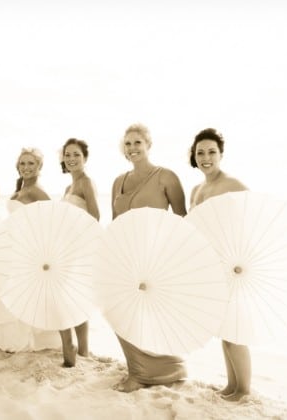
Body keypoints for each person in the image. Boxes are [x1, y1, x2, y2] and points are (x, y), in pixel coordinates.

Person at [110, 123, 188, 392]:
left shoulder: (166, 177)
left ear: (148, 145)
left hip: (155, 257)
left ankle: (152, 372)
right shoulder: (118, 181)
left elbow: (182, 219)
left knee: (149, 314)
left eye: (137, 143)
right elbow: (115, 223)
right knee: (119, 310)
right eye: (128, 143)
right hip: (126, 255)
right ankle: (140, 370)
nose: (132, 148)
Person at [188, 128, 250, 402]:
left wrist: (241, 253)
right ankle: (231, 385)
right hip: (210, 265)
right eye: (200, 152)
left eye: (211, 151)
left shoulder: (232, 184)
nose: (206, 157)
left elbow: (253, 215)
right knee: (223, 329)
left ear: (221, 154)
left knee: (234, 328)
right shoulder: (197, 189)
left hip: (231, 264)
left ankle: (244, 390)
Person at [0, 148, 61, 353]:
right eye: (23, 163)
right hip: (11, 244)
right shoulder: (21, 188)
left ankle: (23, 340)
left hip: (25, 247)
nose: (26, 167)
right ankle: (9, 339)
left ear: (39, 167)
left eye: (31, 163)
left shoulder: (37, 191)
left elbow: (52, 219)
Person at [58, 138, 100, 367]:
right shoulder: (68, 188)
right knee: (67, 296)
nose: (71, 159)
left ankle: (81, 348)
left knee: (75, 296)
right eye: (68, 155)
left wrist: (75, 235)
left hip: (79, 246)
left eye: (76, 155)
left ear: (85, 158)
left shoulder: (86, 183)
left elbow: (95, 216)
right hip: (64, 246)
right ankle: (75, 346)